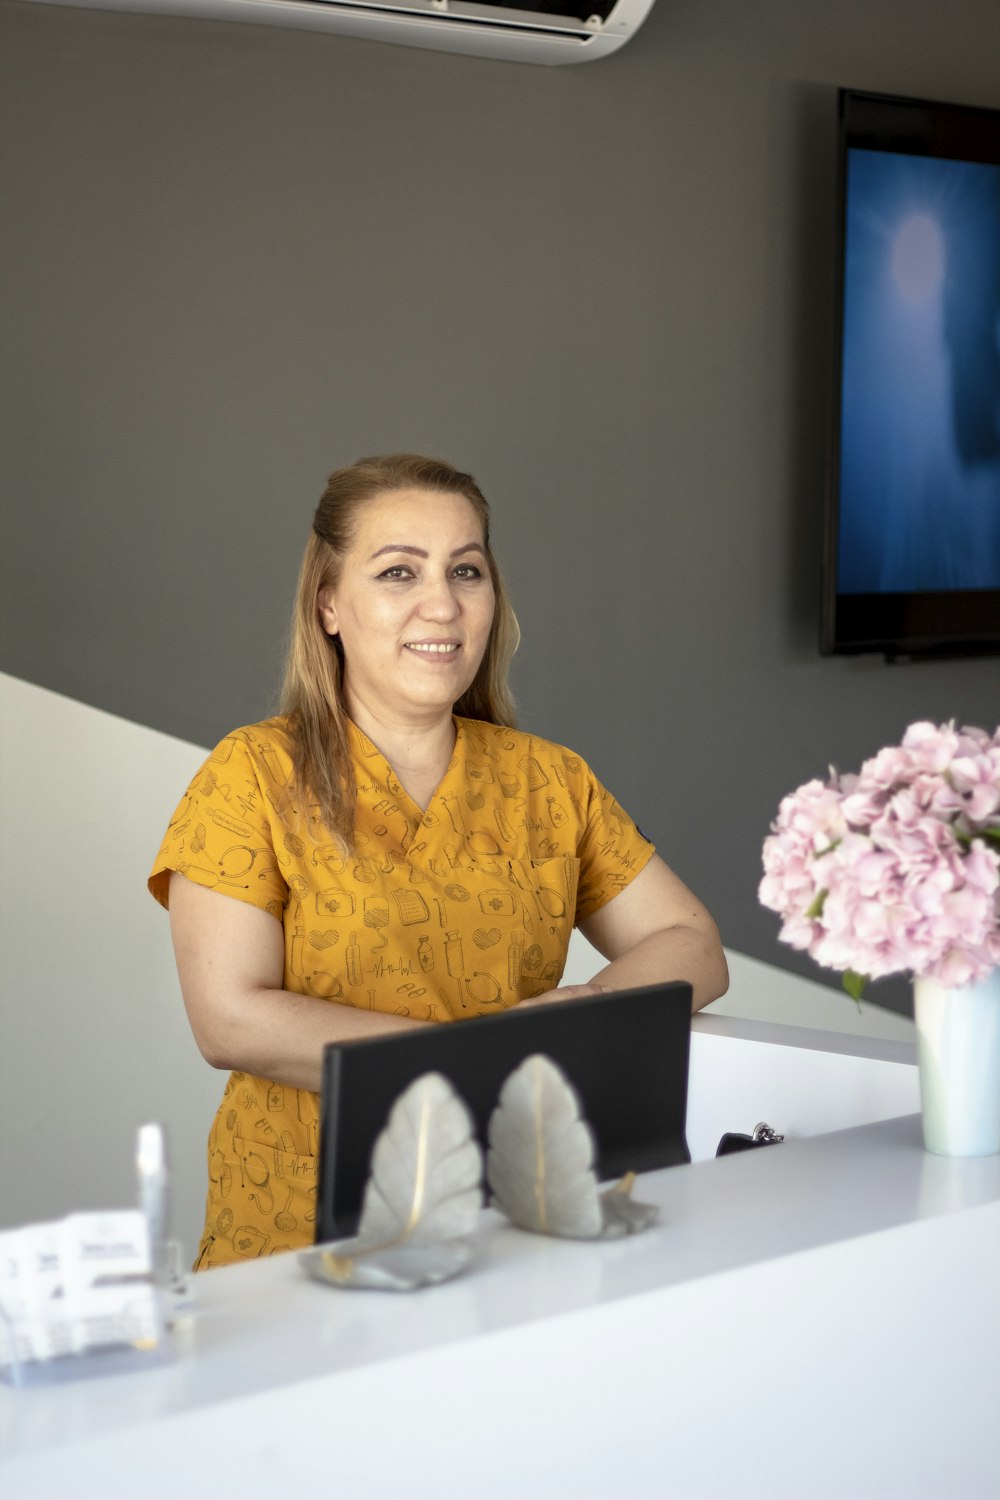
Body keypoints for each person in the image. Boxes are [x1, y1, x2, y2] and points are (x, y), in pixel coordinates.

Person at [149, 454, 728, 1269]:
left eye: (467, 570)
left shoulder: (549, 779)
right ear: (329, 605)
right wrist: (476, 1066)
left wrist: (578, 1009)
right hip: (304, 1229)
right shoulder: (251, 774)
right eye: (398, 572)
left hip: (517, 1216)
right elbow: (230, 1020)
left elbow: (694, 945)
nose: (442, 603)